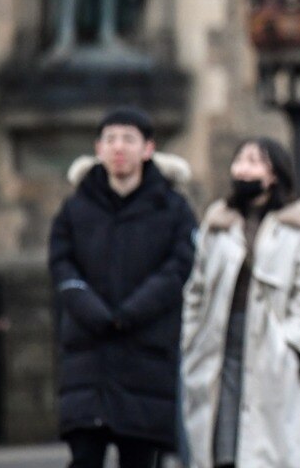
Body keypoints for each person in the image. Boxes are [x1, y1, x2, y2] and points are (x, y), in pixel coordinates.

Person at [49, 108, 196, 468]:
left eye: (128, 139)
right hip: (88, 356)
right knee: (84, 456)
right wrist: (92, 310)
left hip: (146, 354)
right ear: (97, 148)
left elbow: (178, 267)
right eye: (110, 139)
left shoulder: (174, 209)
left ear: (148, 149)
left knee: (141, 459)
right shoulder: (74, 208)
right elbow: (61, 264)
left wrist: (131, 312)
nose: (119, 148)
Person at [182, 138, 300, 468]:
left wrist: (291, 341)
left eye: (254, 162)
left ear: (275, 174)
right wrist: (191, 339)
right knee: (218, 443)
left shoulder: (296, 224)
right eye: (240, 160)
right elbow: (196, 287)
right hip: (217, 344)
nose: (243, 169)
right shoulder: (218, 221)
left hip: (270, 346)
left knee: (271, 448)